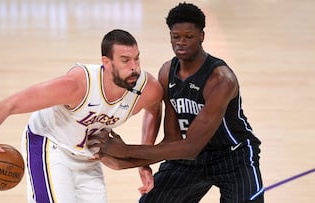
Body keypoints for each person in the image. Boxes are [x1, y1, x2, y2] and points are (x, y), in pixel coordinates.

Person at [89, 3, 264, 203]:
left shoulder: (221, 80)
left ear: (202, 36)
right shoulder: (167, 72)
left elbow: (190, 147)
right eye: (175, 36)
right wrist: (126, 162)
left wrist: (126, 152)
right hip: (188, 157)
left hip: (233, 156)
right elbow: (172, 141)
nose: (181, 42)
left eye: (188, 37)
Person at [0, 29, 163, 203]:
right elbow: (9, 104)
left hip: (89, 157)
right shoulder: (77, 86)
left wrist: (143, 161)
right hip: (50, 146)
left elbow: (154, 111)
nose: (134, 67)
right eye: (125, 60)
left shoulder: (147, 89)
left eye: (137, 59)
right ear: (106, 62)